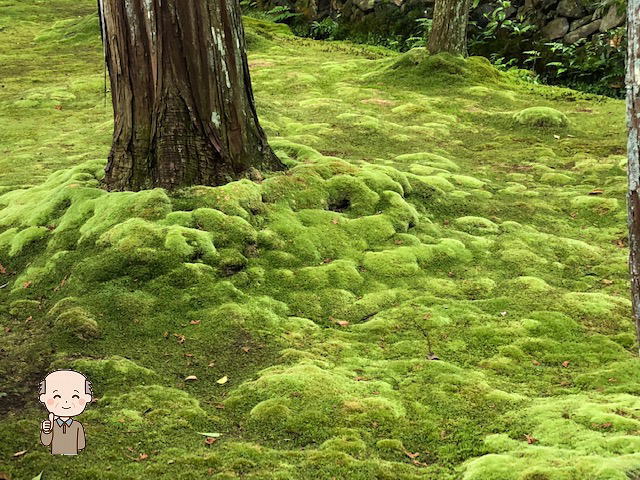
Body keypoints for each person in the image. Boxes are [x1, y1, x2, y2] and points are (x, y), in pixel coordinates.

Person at [39, 370, 92, 455]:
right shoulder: (53, 425)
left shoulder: (77, 426)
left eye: (75, 396)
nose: (66, 401)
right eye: (57, 396)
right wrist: (46, 431)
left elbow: (81, 445)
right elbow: (46, 442)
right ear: (44, 398)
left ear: (87, 398)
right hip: (55, 455)